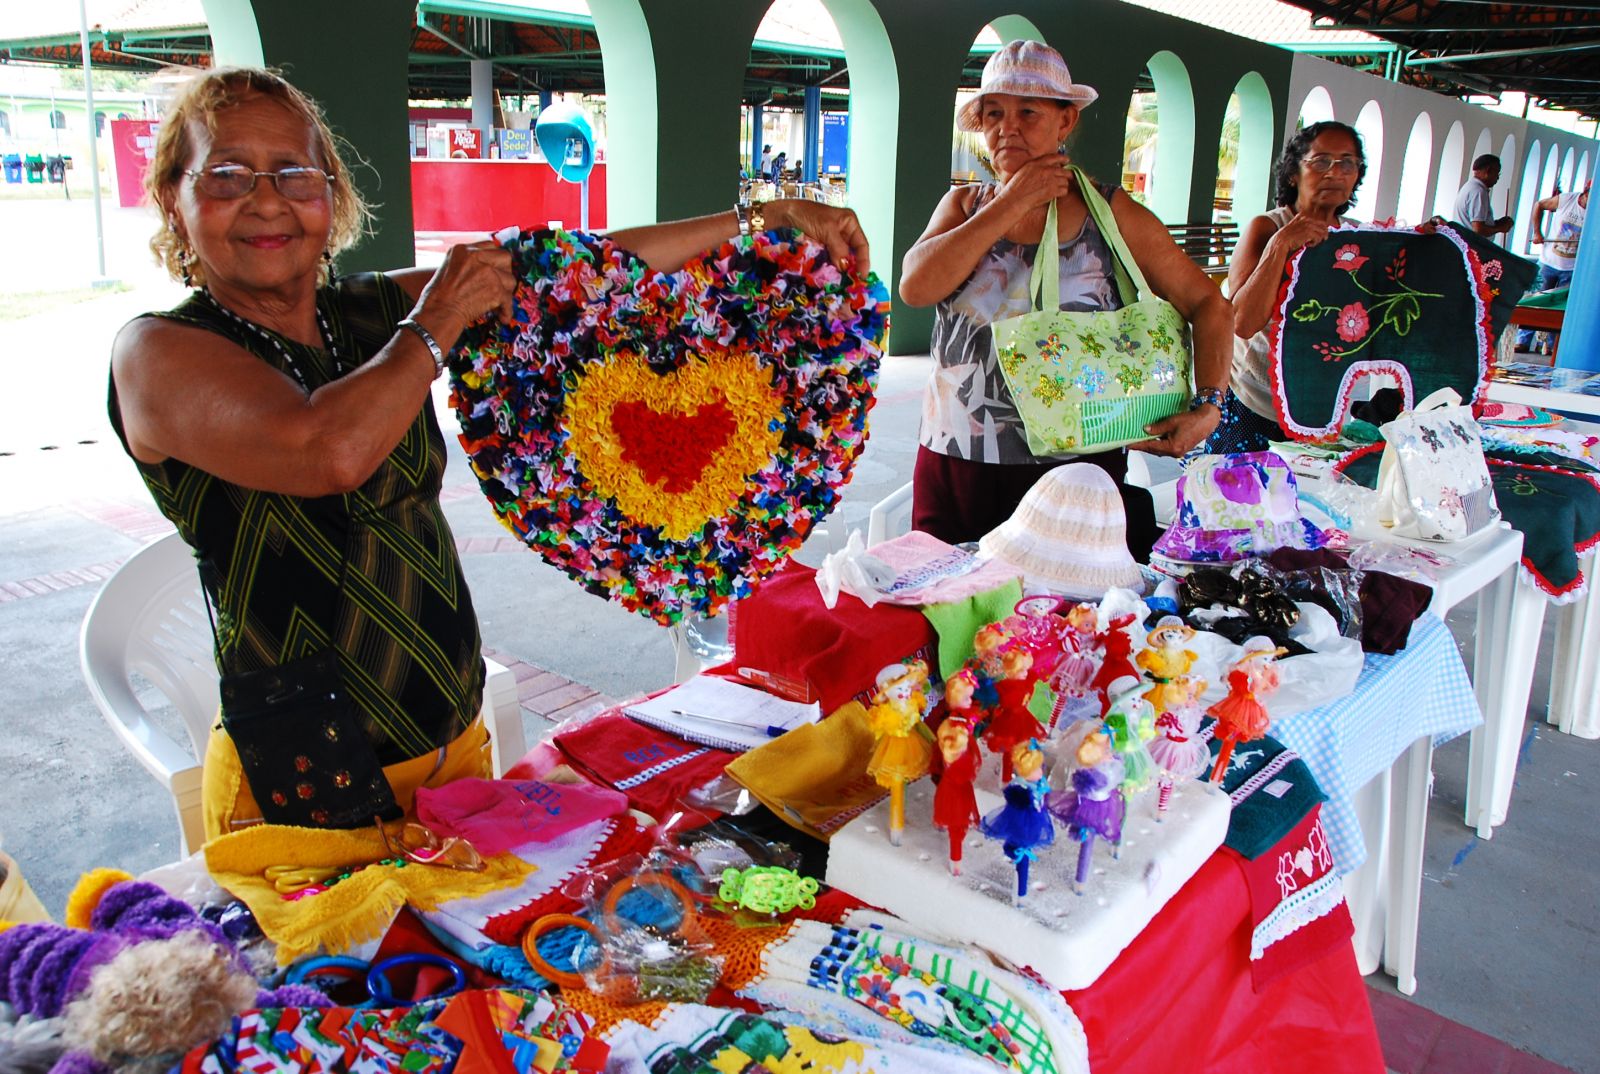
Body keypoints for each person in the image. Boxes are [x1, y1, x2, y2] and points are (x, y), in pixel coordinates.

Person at [109, 67, 871, 840]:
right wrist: (441, 313)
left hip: (452, 739)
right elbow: (329, 449)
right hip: (308, 773)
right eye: (229, 174)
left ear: (332, 195)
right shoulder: (161, 353)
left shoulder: (364, 316)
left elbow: (580, 271)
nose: (267, 199)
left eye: (295, 173)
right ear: (175, 196)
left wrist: (750, 222)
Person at [898, 40, 1230, 557]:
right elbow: (917, 287)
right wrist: (1011, 201)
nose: (1008, 126)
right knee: (946, 610)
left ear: (1065, 122)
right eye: (993, 113)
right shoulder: (964, 205)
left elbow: (1210, 305)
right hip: (957, 457)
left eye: (1028, 111)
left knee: (1067, 618)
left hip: (1074, 468)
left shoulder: (1112, 214)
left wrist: (1209, 406)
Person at [1207, 120, 1366, 454]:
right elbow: (1243, 322)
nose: (1335, 172)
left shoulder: (1357, 240)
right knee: (1242, 500)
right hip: (1255, 404)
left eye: (1347, 163)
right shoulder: (1268, 228)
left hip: (1321, 410)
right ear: (1294, 173)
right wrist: (1280, 246)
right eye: (1321, 161)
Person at [1519, 179, 1589, 351]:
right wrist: (1537, 232)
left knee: (1560, 309)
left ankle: (1550, 346)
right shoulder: (1566, 199)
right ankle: (1523, 340)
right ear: (1585, 193)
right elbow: (1539, 205)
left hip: (1572, 268)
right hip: (1549, 262)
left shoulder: (1595, 212)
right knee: (1536, 300)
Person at [1453, 153, 1513, 239]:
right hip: (1472, 246)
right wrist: (1500, 228)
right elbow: (1478, 229)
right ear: (1488, 171)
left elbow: (1476, 222)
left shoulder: (1471, 186)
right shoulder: (1478, 192)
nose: (1497, 178)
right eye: (1497, 173)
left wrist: (1496, 223)